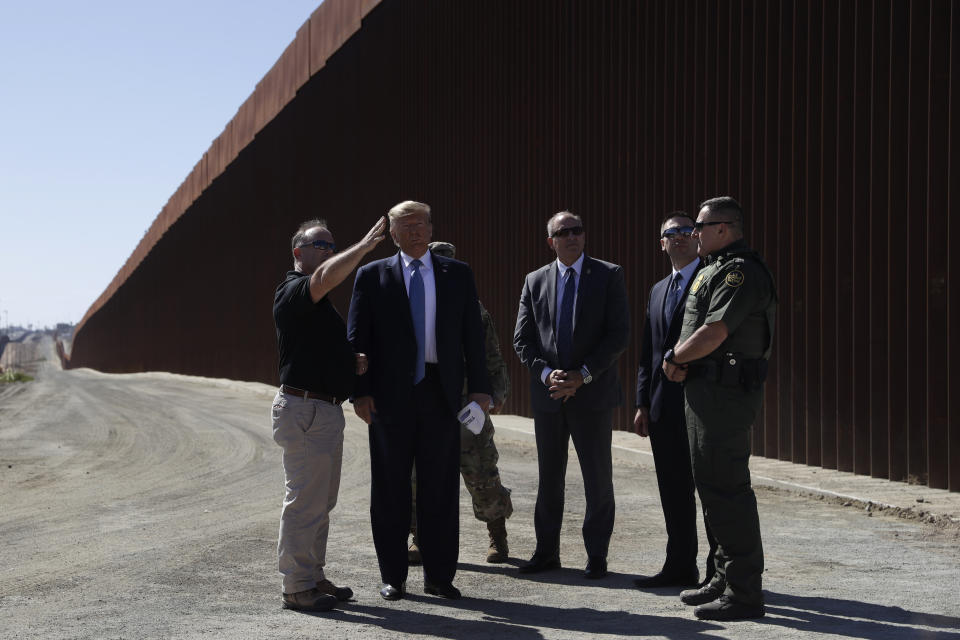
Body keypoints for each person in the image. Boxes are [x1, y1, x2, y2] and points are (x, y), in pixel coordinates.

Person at [347, 201, 492, 601]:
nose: (414, 231)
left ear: (431, 228)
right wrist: (359, 392)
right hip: (389, 397)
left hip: (439, 392)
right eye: (405, 226)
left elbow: (472, 339)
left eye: (420, 224)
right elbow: (357, 339)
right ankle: (393, 576)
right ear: (392, 234)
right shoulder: (371, 276)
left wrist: (480, 390)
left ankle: (440, 577)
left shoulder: (457, 274)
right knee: (390, 489)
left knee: (440, 489)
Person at [662, 196, 776, 621]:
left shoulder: (739, 272)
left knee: (728, 489)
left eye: (701, 226)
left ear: (724, 228)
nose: (694, 232)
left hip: (726, 396)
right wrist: (682, 364)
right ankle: (723, 576)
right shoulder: (711, 269)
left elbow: (715, 331)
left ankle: (745, 594)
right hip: (704, 393)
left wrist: (676, 359)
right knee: (711, 487)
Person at [271, 216, 387, 612]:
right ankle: (296, 586)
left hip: (323, 408)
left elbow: (316, 348)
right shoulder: (293, 290)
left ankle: (313, 576)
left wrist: (347, 362)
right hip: (305, 408)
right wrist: (364, 246)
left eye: (331, 246)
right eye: (320, 244)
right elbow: (321, 278)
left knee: (321, 502)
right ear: (297, 252)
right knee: (305, 500)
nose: (328, 251)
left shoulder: (318, 307)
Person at [513, 210, 630, 579]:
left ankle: (597, 556)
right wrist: (548, 373)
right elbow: (522, 339)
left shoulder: (609, 275)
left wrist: (583, 375)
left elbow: (618, 335)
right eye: (563, 232)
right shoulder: (535, 280)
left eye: (577, 230)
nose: (572, 237)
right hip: (549, 395)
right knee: (549, 478)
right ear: (551, 241)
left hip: (592, 396)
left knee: (597, 479)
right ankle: (546, 553)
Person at [406, 241, 513, 566]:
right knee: (418, 478)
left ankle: (497, 533)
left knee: (481, 474)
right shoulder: (411, 305)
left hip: (468, 408)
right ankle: (419, 538)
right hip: (425, 406)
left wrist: (496, 394)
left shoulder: (473, 309)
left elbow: (492, 357)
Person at [633, 212, 718, 590]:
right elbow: (648, 353)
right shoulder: (656, 290)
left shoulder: (712, 280)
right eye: (673, 233)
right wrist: (642, 403)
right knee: (674, 490)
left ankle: (720, 572)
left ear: (697, 239)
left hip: (702, 402)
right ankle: (680, 566)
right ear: (661, 244)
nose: (681, 237)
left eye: (687, 231)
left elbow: (718, 337)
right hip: (663, 408)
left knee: (712, 490)